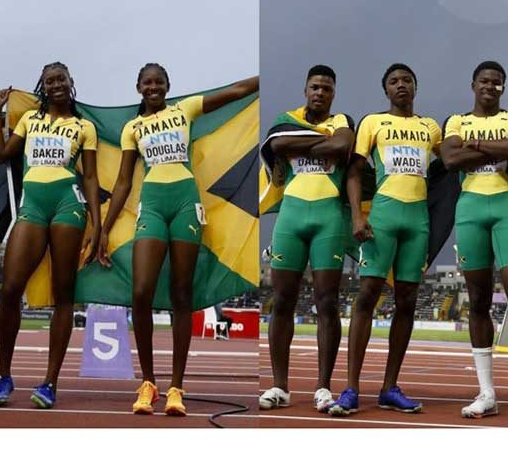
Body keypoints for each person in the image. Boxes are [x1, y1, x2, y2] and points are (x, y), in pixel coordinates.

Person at [98, 63, 258, 416]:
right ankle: (148, 383)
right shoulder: (133, 128)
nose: (153, 87)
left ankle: (176, 387)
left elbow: (234, 93)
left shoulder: (184, 110)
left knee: (181, 294)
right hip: (152, 206)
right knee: (140, 291)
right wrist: (105, 228)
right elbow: (123, 182)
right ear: (138, 87)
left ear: (168, 86)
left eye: (159, 82)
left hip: (186, 202)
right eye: (147, 82)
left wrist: (264, 79)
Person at [440, 60, 508, 426]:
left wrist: (475, 145)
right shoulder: (455, 121)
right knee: (478, 301)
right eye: (485, 81)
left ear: (503, 87)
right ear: (473, 84)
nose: (491, 86)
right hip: (470, 209)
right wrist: (494, 149)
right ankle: (487, 393)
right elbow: (451, 158)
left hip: (507, 208)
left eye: (498, 82)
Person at [329, 63, 440, 416]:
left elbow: (450, 162)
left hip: (418, 220)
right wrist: (358, 215)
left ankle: (390, 387)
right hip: (383, 218)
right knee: (367, 296)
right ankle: (351, 388)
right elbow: (354, 172)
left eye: (407, 79)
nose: (401, 85)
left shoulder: (430, 127)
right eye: (394, 81)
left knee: (407, 300)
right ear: (386, 91)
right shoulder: (373, 123)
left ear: (416, 87)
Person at [0, 62, 101, 409]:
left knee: (63, 294)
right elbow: (1, 154)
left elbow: (92, 178)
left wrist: (97, 225)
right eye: (49, 81)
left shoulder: (84, 127)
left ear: (71, 83)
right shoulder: (29, 120)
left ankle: (50, 381)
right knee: (9, 289)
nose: (55, 85)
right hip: (33, 205)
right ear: (42, 85)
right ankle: (4, 376)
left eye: (61, 80)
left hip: (68, 203)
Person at [258, 65, 353, 412]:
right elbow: (278, 142)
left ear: (333, 93)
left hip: (328, 219)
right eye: (315, 87)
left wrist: (305, 144)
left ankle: (323, 387)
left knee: (327, 301)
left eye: (327, 88)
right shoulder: (286, 118)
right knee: (282, 299)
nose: (320, 93)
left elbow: (343, 143)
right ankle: (279, 386)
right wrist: (323, 143)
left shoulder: (342, 120)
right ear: (305, 90)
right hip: (291, 218)